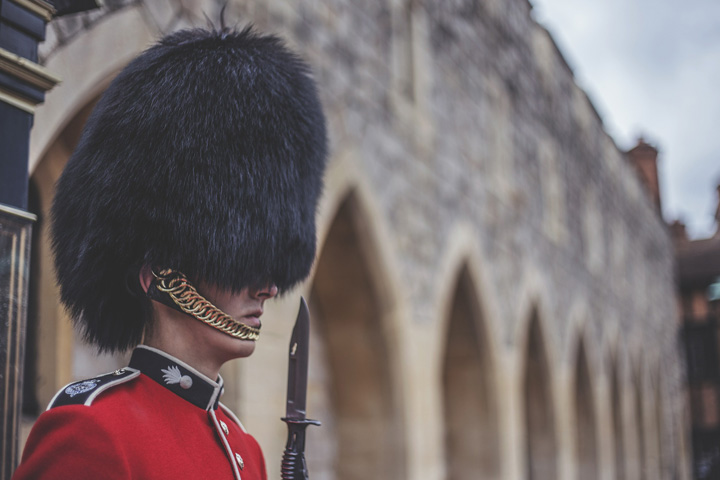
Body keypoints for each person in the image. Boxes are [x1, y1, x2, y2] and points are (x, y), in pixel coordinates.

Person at [13, 25, 327, 480]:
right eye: (241, 259)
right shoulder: (92, 431)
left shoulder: (246, 451)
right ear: (161, 275)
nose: (270, 286)